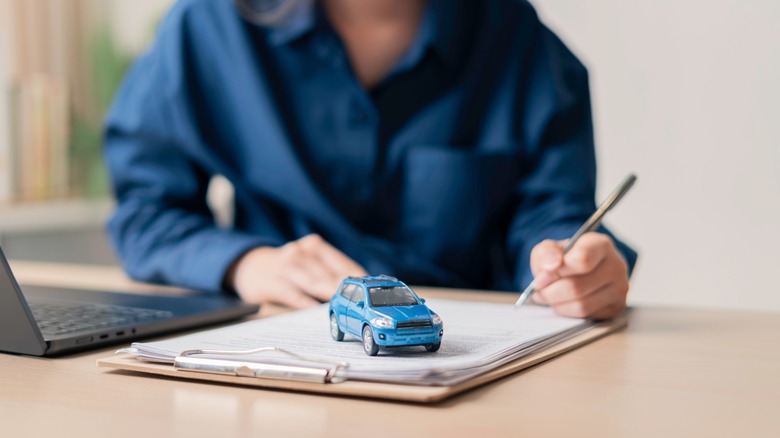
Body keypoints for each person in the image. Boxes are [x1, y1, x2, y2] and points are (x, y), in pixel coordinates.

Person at [104, 0, 637, 319]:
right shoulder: (209, 26)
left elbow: (551, 215)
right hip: (275, 363)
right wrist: (244, 264)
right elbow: (146, 212)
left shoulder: (519, 42)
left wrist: (575, 268)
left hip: (466, 377)